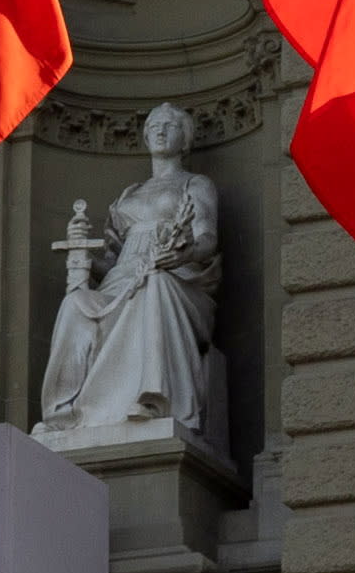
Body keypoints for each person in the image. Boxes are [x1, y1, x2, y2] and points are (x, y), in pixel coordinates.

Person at [35, 106, 226, 449]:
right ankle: (64, 415)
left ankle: (152, 400)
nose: (160, 130)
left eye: (169, 125)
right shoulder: (129, 194)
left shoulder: (195, 184)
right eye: (153, 124)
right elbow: (113, 261)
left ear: (186, 139)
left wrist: (182, 254)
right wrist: (84, 255)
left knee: (154, 285)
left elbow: (207, 238)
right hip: (121, 282)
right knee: (77, 303)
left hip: (177, 280)